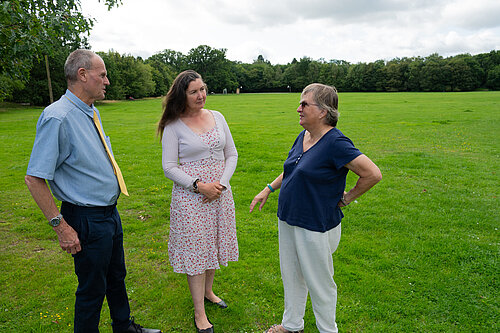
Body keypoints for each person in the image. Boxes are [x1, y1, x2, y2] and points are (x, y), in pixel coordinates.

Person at [25, 49, 162, 333]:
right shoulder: (58, 117)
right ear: (82, 75)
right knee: (91, 289)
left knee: (116, 277)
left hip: (109, 213)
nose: (107, 81)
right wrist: (60, 226)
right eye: (102, 75)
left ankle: (123, 327)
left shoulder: (90, 111)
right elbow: (34, 178)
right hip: (85, 218)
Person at [249, 83, 382, 333]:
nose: (298, 108)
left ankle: (327, 330)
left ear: (323, 111)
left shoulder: (336, 142)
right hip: (289, 217)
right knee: (292, 275)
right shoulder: (304, 135)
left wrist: (347, 198)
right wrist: (268, 189)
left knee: (320, 283)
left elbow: (372, 173)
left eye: (304, 104)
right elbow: (292, 168)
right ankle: (291, 325)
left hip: (315, 224)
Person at [158, 70, 239, 333]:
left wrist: (221, 186)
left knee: (213, 244)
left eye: (202, 89)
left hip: (219, 195)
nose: (201, 95)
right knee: (197, 251)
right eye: (193, 92)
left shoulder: (218, 117)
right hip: (191, 199)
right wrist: (199, 186)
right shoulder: (174, 125)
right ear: (182, 95)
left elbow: (232, 154)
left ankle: (208, 292)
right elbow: (169, 167)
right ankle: (199, 313)